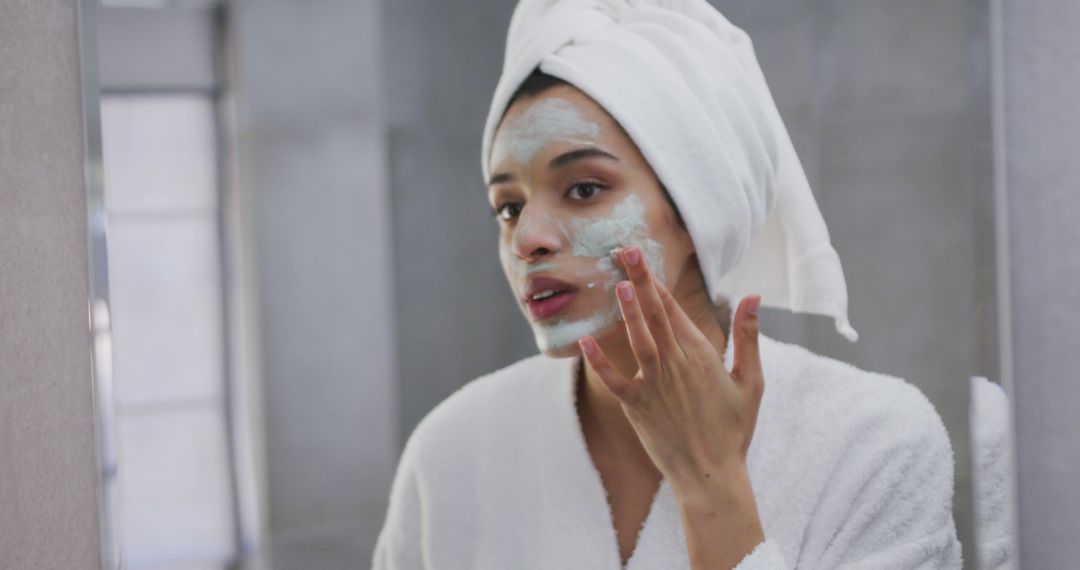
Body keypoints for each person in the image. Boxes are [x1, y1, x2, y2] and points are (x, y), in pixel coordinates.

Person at [373, 1, 962, 568]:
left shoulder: (874, 443)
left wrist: (710, 483)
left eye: (583, 189)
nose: (527, 237)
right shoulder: (453, 449)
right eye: (507, 206)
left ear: (695, 213)